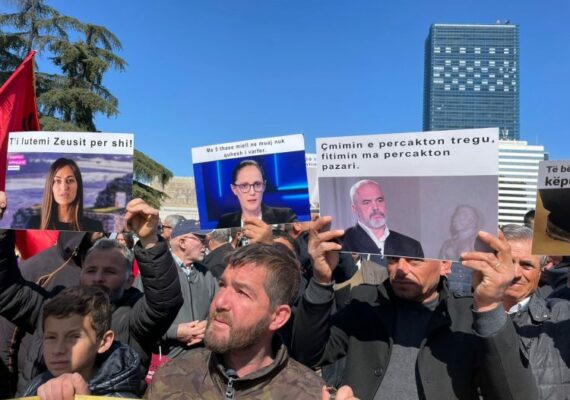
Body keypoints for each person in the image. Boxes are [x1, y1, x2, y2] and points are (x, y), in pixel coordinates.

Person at [292, 216, 537, 400]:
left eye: (415, 260)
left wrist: (490, 306)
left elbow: (515, 394)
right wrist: (321, 280)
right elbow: (308, 354)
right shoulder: (365, 303)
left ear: (445, 265)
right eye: (393, 258)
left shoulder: (467, 317)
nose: (401, 269)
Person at [0, 197, 183, 395]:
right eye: (91, 270)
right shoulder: (53, 306)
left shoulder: (133, 318)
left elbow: (164, 302)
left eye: (110, 271)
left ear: (129, 280)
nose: (98, 278)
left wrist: (150, 241)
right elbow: (7, 291)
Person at [144, 244, 325, 399]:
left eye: (242, 293)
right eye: (222, 285)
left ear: (278, 317)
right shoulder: (172, 377)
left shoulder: (308, 394)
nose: (220, 302)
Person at [23, 286, 143, 398]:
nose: (58, 350)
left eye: (74, 337)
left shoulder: (121, 396)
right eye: (51, 337)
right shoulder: (36, 385)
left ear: (104, 342)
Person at [501, 224, 570, 400]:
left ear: (540, 272)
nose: (515, 273)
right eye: (507, 262)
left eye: (526, 265)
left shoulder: (562, 315)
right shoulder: (462, 317)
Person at [136, 219, 218, 359]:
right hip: (166, 360)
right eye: (201, 239)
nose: (206, 244)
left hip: (202, 359)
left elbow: (220, 308)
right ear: (182, 243)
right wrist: (174, 332)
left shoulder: (206, 274)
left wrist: (209, 326)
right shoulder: (155, 273)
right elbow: (136, 320)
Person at [342, 179, 423, 260]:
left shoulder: (412, 247)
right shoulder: (341, 244)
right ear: (354, 209)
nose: (375, 207)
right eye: (367, 202)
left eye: (379, 200)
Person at [26, 158, 103, 232]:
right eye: (58, 181)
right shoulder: (34, 224)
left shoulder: (94, 227)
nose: (64, 187)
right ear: (50, 186)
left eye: (70, 180)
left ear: (78, 186)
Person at [216, 159, 297, 228]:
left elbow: (300, 241)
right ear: (234, 189)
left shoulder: (285, 216)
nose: (252, 192)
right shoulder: (225, 222)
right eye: (244, 185)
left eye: (257, 184)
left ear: (264, 186)